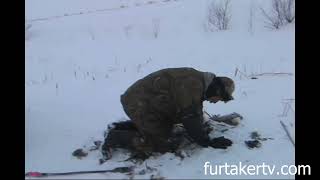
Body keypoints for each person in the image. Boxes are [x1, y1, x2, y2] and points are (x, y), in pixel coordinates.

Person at [102, 67, 235, 159]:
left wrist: (200, 130)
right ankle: (116, 137)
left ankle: (128, 126)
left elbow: (194, 112)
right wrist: (207, 142)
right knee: (160, 145)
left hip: (149, 105)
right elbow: (190, 117)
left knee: (167, 129)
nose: (217, 102)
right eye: (221, 99)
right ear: (218, 91)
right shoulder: (193, 85)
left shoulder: (198, 83)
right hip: (138, 104)